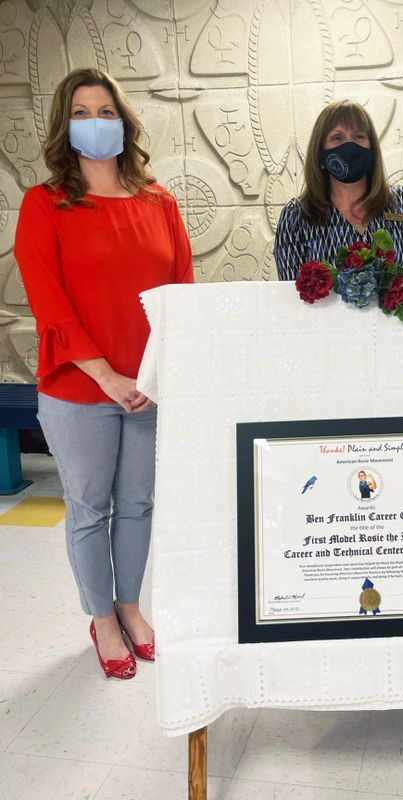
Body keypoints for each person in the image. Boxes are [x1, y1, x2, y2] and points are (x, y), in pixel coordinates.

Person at [14, 68, 194, 679]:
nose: (96, 123)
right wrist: (107, 377)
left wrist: (159, 372)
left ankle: (129, 605)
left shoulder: (159, 202)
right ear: (66, 126)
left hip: (148, 386)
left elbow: (181, 295)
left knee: (139, 504)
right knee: (90, 507)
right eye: (83, 113)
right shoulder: (45, 205)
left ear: (125, 121)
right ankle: (102, 618)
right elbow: (50, 304)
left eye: (106, 111)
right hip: (79, 388)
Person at [274, 99, 403, 280]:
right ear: (320, 152)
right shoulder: (296, 216)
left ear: (371, 146)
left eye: (359, 136)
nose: (350, 146)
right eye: (337, 137)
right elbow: (292, 297)